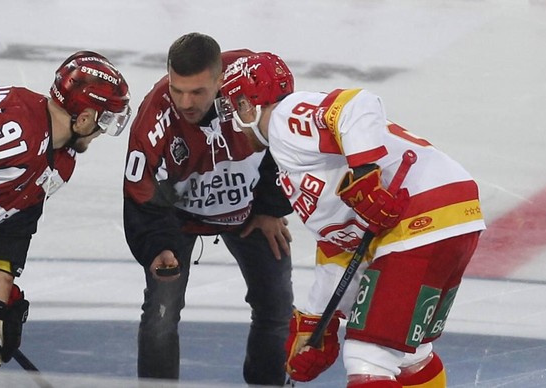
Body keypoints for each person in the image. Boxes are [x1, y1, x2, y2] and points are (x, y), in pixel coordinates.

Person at [217, 52, 486, 387]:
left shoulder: (283, 119)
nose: (228, 120)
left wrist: (365, 175)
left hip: (419, 217)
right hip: (449, 214)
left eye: (230, 106)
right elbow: (337, 242)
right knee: (408, 356)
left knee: (368, 359)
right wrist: (317, 320)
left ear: (247, 104)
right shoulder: (290, 153)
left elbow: (356, 105)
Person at [122, 33, 294, 386]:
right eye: (176, 88)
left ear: (221, 81)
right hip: (177, 222)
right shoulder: (153, 117)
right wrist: (158, 246)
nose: (184, 102)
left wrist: (270, 207)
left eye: (197, 92)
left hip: (250, 212)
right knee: (160, 315)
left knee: (277, 305)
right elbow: (138, 192)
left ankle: (269, 382)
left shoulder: (253, 81)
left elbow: (287, 139)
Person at [0, 51, 131, 368]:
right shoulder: (21, 133)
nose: (101, 132)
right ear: (84, 118)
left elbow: (12, 220)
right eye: (105, 120)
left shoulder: (56, 156)